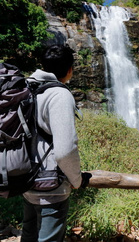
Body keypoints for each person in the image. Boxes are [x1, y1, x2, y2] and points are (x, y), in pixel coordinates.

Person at [22, 44, 91, 242]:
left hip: (25, 179)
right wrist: (76, 180)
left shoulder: (26, 87)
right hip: (50, 186)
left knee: (29, 237)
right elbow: (65, 150)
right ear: (69, 70)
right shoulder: (59, 94)